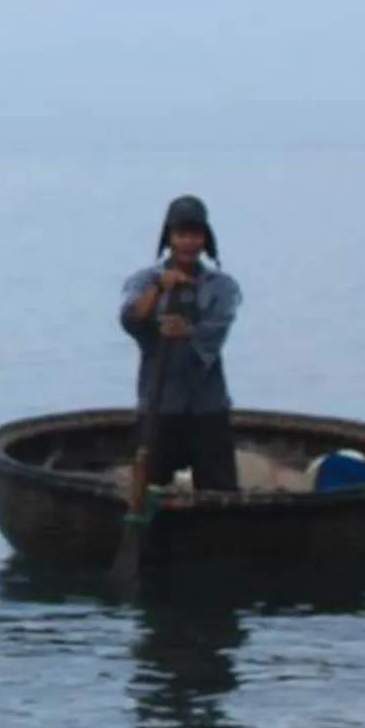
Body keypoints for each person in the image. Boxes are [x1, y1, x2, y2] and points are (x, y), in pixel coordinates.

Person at [119, 194, 241, 511]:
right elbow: (131, 318)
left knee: (220, 492)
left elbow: (217, 331)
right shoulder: (144, 280)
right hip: (159, 402)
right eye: (181, 235)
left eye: (195, 235)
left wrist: (187, 332)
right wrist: (159, 288)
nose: (188, 242)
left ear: (205, 240)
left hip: (207, 404)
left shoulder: (222, 286)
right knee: (146, 485)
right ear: (169, 238)